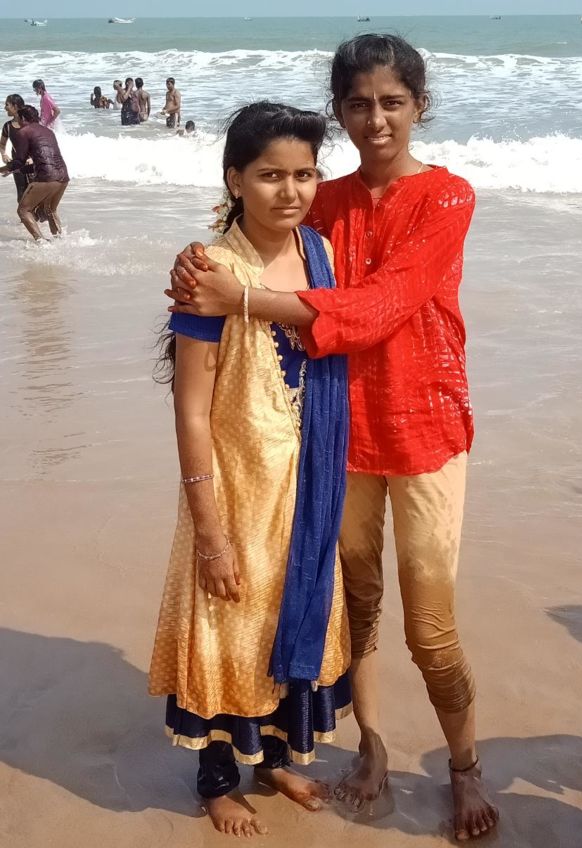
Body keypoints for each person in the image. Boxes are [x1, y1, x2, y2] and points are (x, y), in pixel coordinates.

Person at [166, 33, 499, 841]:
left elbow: (382, 306)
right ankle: (371, 748)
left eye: (393, 102)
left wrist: (239, 298)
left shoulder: (447, 196)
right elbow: (253, 230)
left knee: (432, 628)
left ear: (420, 106)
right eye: (358, 104)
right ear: (340, 112)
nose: (376, 119)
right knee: (354, 609)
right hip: (336, 432)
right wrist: (196, 266)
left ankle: (464, 767)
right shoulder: (324, 199)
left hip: (424, 429)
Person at [149, 101, 351, 838]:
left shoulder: (323, 254)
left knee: (289, 616)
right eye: (270, 175)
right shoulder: (210, 271)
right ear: (235, 179)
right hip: (235, 491)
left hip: (309, 487)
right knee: (227, 622)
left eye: (304, 174)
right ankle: (216, 781)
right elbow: (192, 410)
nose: (290, 191)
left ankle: (272, 761)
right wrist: (209, 530)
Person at [0, 105, 69, 241]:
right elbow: (44, 161)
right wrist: (17, 170)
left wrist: (3, 169)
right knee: (50, 210)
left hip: (46, 177)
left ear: (23, 118)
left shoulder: (24, 131)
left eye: (18, 118)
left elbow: (19, 161)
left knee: (23, 210)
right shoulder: (48, 131)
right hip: (63, 176)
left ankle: (41, 242)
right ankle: (60, 240)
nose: (18, 122)